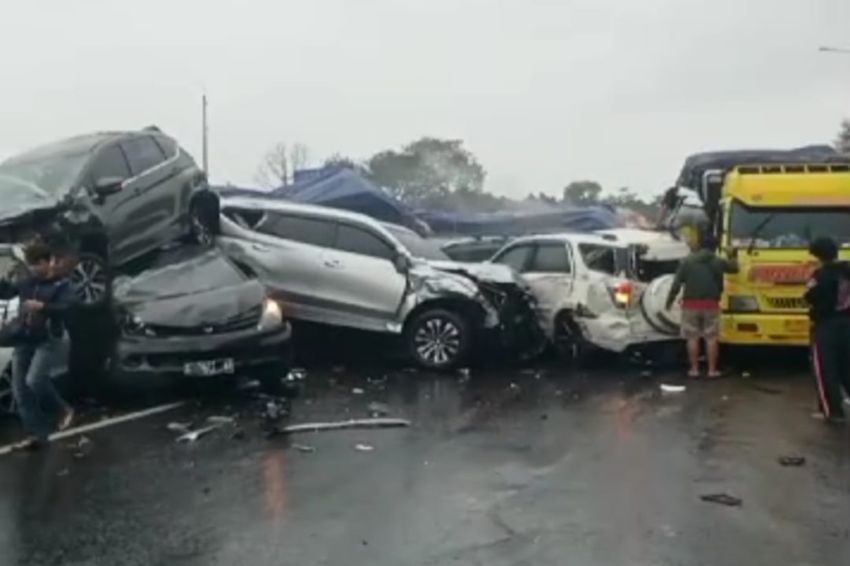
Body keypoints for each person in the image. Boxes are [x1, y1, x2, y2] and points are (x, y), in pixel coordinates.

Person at [0, 242, 76, 450]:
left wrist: (43, 306)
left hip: (48, 339)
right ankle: (37, 434)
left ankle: (63, 410)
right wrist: (3, 280)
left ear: (47, 262)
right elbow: (8, 293)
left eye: (36, 264)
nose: (33, 268)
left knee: (35, 380)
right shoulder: (27, 283)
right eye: (30, 265)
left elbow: (67, 308)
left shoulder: (62, 285)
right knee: (20, 390)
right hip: (23, 338)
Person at [666, 233, 738, 378]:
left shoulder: (687, 262)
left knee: (692, 337)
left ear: (699, 246)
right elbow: (735, 268)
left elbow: (676, 284)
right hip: (711, 304)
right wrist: (732, 255)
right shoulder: (718, 261)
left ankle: (694, 370)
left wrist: (669, 301)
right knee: (711, 338)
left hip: (690, 304)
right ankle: (712, 371)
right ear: (716, 247)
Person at [804, 237, 850, 423]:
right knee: (846, 366)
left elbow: (810, 296)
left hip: (827, 324)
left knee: (824, 369)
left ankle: (832, 411)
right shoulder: (847, 270)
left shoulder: (820, 275)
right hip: (848, 322)